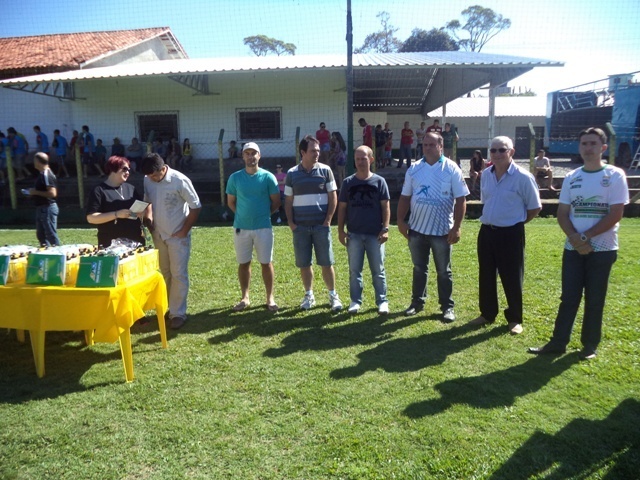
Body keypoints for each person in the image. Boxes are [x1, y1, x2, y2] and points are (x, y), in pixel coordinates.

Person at [528, 127, 629, 360]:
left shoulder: (614, 176)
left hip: (602, 248)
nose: (588, 148)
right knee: (569, 297)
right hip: (573, 248)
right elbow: (563, 213)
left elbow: (615, 214)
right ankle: (558, 342)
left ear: (603, 148)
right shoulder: (573, 177)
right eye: (584, 144)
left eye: (593, 143)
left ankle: (589, 345)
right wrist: (575, 238)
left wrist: (587, 237)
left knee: (595, 298)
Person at [468, 136, 541, 335]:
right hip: (487, 232)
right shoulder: (486, 175)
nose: (497, 154)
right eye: (493, 150)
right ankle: (487, 314)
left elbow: (535, 207)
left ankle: (515, 319)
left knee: (512, 277)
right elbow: (487, 201)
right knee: (486, 274)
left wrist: (517, 222)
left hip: (511, 233)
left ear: (512, 152)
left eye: (502, 150)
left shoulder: (523, 177)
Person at [396, 132, 469, 322]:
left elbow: (461, 200)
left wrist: (457, 227)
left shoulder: (451, 168)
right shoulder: (414, 169)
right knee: (419, 268)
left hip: (442, 231)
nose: (427, 147)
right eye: (424, 144)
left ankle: (447, 307)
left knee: (444, 271)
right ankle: (417, 302)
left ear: (441, 146)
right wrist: (401, 221)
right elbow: (405, 197)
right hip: (417, 230)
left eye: (431, 144)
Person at [142, 153, 201, 329]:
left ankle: (178, 313)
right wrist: (149, 220)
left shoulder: (180, 180)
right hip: (158, 234)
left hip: (177, 235)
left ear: (163, 168)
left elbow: (196, 206)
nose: (152, 178)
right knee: (165, 272)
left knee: (178, 274)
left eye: (155, 175)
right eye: (149, 176)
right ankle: (169, 307)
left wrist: (184, 231)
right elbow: (148, 201)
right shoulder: (147, 179)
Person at [284, 135, 342, 311]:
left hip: (321, 226)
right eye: (313, 150)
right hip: (300, 227)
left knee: (326, 262)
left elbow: (333, 197)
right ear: (303, 152)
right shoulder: (292, 174)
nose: (317, 153)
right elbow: (288, 200)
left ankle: (333, 295)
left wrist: (328, 220)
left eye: (318, 150)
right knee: (304, 263)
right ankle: (309, 295)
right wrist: (291, 223)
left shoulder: (326, 171)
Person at [226, 142, 281, 312]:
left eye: (254, 153)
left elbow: (276, 203)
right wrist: (244, 216)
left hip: (263, 227)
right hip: (241, 228)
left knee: (266, 263)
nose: (251, 156)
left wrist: (262, 215)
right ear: (243, 156)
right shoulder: (234, 178)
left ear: (259, 155)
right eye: (247, 153)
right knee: (244, 263)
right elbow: (231, 203)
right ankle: (245, 297)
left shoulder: (268, 177)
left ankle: (270, 298)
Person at [337, 145, 390, 315]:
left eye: (364, 158)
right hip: (354, 234)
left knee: (378, 270)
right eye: (358, 159)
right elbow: (342, 208)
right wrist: (340, 230)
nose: (360, 162)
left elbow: (386, 207)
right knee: (354, 271)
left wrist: (386, 228)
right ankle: (355, 301)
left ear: (371, 159)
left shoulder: (379, 181)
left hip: (375, 234)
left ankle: (382, 301)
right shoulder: (348, 183)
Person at [86, 156, 146, 248]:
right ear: (113, 168)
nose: (127, 172)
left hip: (135, 241)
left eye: (129, 170)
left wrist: (140, 213)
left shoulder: (131, 188)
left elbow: (137, 212)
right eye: (125, 169)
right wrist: (116, 214)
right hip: (111, 244)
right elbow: (91, 218)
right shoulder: (99, 190)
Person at [25, 153, 60, 247]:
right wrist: (32, 193)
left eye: (34, 160)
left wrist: (35, 192)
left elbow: (52, 193)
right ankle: (45, 254)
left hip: (48, 207)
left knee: (50, 234)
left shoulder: (46, 174)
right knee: (41, 235)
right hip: (42, 207)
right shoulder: (41, 174)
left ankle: (57, 255)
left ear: (38, 161)